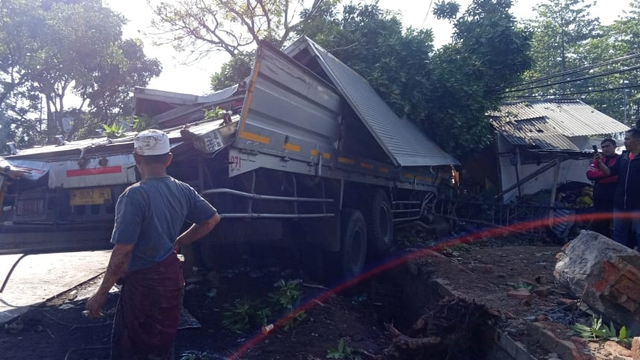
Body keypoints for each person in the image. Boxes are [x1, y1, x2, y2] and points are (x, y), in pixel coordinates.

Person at [86, 129, 221, 359]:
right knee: (161, 344)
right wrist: (180, 240)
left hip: (143, 287)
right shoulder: (184, 190)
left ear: (137, 158)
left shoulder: (134, 196)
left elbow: (123, 252)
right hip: (170, 281)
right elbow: (211, 219)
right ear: (168, 159)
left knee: (132, 348)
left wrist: (100, 295)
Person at [596, 128, 640, 248]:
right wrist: (600, 163)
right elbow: (609, 172)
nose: (625, 141)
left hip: (637, 205)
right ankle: (618, 263)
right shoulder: (623, 158)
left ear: (637, 140)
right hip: (620, 204)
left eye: (627, 139)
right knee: (618, 234)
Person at [586, 139, 619, 238]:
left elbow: (617, 176)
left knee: (618, 225)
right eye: (603, 147)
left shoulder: (620, 159)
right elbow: (590, 174)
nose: (605, 149)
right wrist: (607, 174)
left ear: (614, 146)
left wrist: (602, 174)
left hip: (615, 196)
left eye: (608, 146)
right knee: (600, 224)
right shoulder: (598, 160)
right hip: (600, 196)